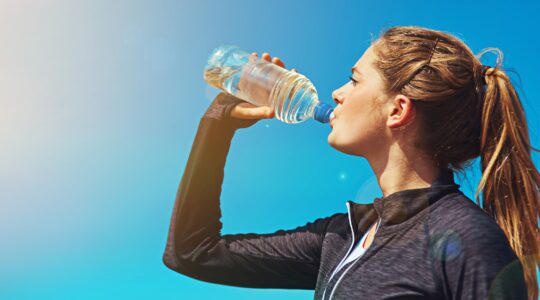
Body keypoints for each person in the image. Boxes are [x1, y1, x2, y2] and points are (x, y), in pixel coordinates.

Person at [162, 26, 539, 299]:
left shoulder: (468, 238)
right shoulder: (340, 237)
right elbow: (193, 254)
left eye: (354, 80)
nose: (338, 94)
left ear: (397, 109)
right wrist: (219, 123)